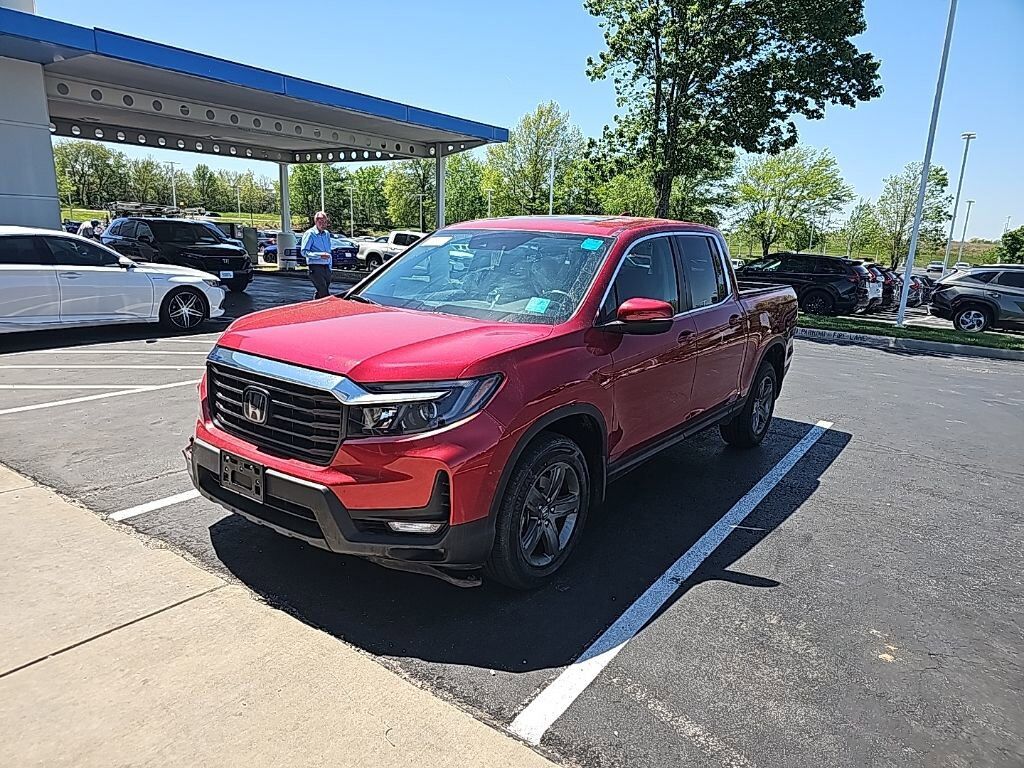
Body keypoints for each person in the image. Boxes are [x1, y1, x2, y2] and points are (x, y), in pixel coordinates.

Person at [301, 211, 333, 299]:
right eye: (321, 222)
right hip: (315, 267)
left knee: (322, 291)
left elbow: (328, 251)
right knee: (324, 292)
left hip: (326, 267)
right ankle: (329, 308)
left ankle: (316, 307)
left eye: (325, 222)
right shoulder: (310, 234)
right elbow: (304, 252)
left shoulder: (327, 234)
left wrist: (330, 267)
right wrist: (319, 255)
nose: (323, 224)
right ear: (316, 221)